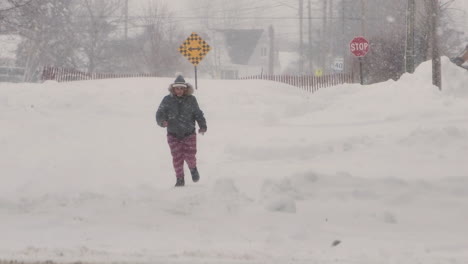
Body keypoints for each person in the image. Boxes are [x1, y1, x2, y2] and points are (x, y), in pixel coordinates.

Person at [156, 75, 207, 187]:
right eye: (177, 88)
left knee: (190, 156)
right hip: (173, 135)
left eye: (181, 88)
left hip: (189, 134)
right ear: (173, 89)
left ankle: (193, 168)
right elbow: (159, 113)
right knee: (177, 158)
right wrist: (162, 121)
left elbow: (198, 114)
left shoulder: (191, 100)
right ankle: (180, 179)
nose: (179, 91)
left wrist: (202, 126)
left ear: (185, 89)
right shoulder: (167, 100)